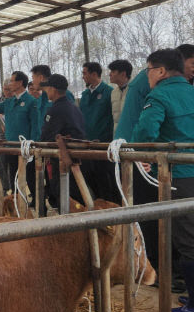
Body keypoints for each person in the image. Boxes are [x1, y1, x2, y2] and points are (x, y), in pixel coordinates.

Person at [131, 49, 194, 312]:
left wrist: (144, 152)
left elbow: (146, 133)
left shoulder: (159, 95)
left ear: (160, 71)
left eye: (148, 69)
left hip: (181, 177)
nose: (147, 74)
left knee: (187, 239)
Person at [38, 74, 86, 210]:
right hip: (79, 158)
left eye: (47, 88)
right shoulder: (74, 108)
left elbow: (47, 136)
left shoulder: (55, 110)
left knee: (62, 193)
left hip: (63, 160)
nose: (46, 91)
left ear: (53, 89)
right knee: (76, 194)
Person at [80, 62, 118, 203]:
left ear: (94, 74)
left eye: (85, 73)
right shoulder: (84, 95)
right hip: (87, 145)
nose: (83, 76)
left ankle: (112, 206)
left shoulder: (109, 92)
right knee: (90, 177)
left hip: (104, 145)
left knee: (107, 179)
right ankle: (98, 205)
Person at [108, 59, 132, 135]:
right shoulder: (113, 92)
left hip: (132, 137)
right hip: (117, 136)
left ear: (123, 74)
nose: (110, 74)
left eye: (113, 71)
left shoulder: (135, 91)